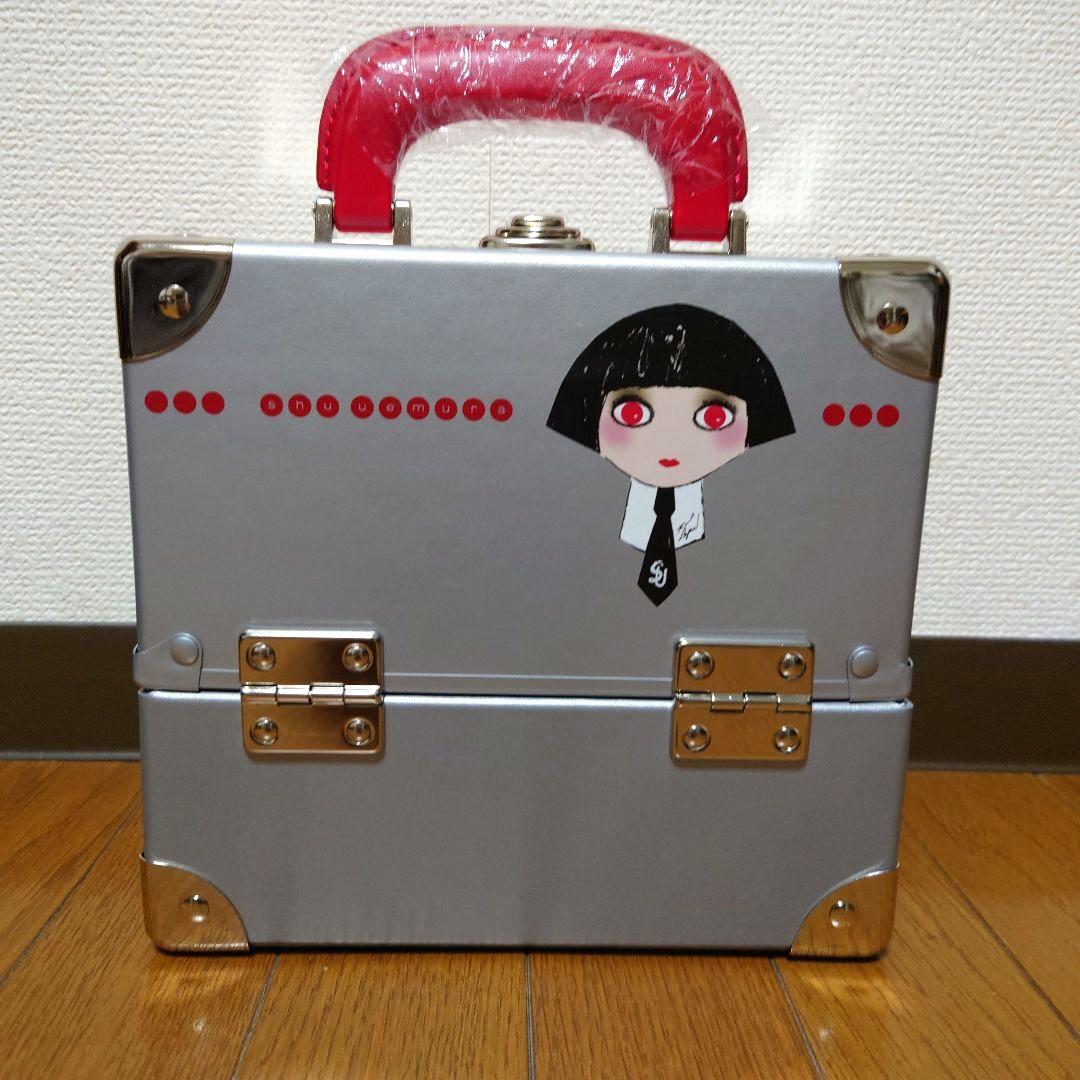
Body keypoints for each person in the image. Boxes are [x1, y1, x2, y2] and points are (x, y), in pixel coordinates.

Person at [547, 304, 795, 605]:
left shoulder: (761, 522)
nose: (669, 442)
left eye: (714, 417)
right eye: (632, 413)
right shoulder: (568, 514)